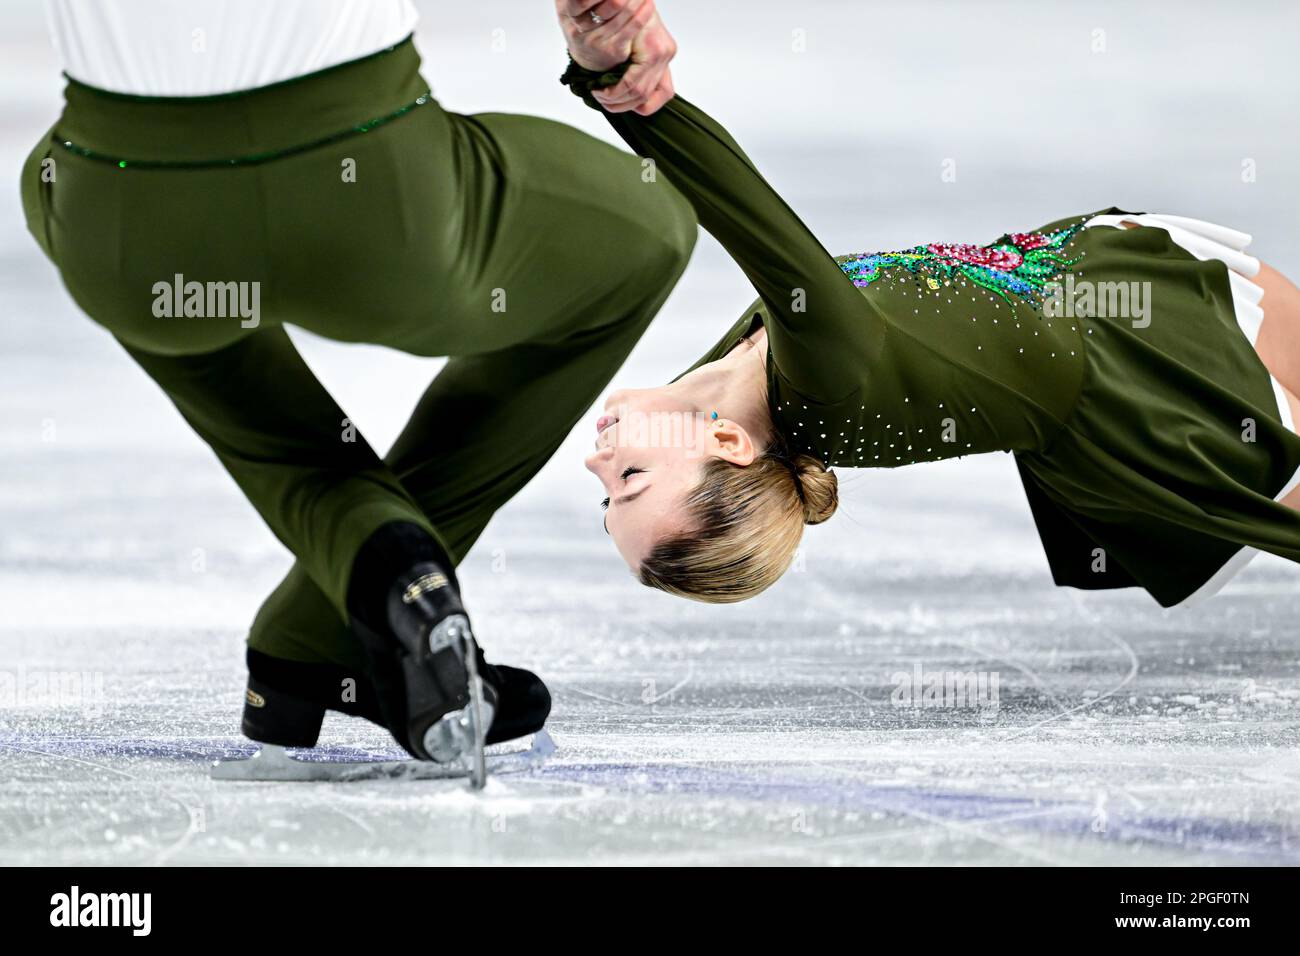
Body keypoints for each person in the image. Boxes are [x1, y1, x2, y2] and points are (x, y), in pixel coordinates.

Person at [21, 0, 696, 764]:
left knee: (53, 186)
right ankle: (333, 628)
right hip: (373, 202)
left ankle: (366, 583)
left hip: (128, 219)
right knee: (648, 238)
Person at [559, 3, 1300, 608]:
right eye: (629, 481)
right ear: (727, 447)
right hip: (1140, 378)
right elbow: (750, 217)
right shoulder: (828, 383)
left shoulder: (724, 386)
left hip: (1091, 277)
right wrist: (631, 86)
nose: (598, 463)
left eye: (609, 500)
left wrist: (611, 52)